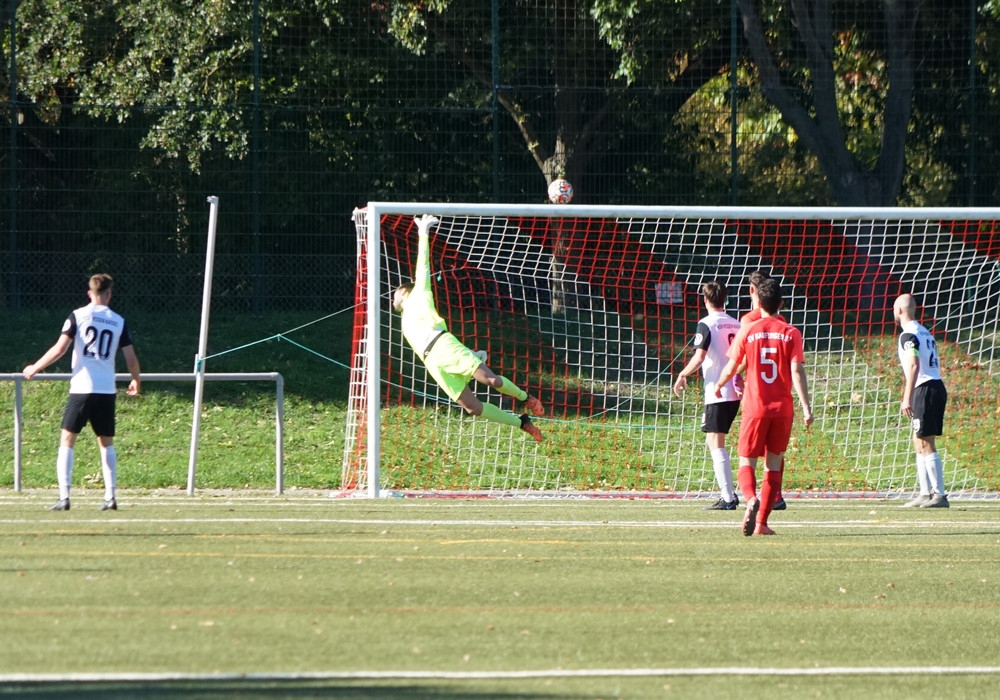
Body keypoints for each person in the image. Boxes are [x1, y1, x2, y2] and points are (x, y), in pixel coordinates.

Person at [392, 215, 545, 441]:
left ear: (405, 291)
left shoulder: (420, 294)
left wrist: (423, 233)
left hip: (443, 346)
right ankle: (522, 422)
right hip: (432, 362)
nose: (392, 297)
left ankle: (526, 398)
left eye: (395, 293)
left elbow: (422, 268)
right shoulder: (404, 320)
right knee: (472, 407)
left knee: (491, 380)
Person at [23, 273, 141, 511]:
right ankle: (110, 497)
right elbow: (130, 358)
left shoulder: (78, 316)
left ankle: (64, 497)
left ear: (89, 293)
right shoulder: (118, 321)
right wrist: (135, 379)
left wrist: (35, 367)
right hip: (106, 389)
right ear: (109, 294)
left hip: (82, 387)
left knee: (67, 440)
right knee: (106, 442)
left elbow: (60, 349)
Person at [715, 278, 813, 536]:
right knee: (774, 464)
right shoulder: (791, 332)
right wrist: (806, 407)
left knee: (746, 461)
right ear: (781, 303)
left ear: (758, 302)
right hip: (782, 410)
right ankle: (761, 524)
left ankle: (750, 499)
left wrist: (719, 384)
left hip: (754, 408)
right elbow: (797, 371)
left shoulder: (748, 330)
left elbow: (732, 366)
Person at [673, 280, 743, 510]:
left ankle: (728, 498)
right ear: (725, 299)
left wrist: (682, 373)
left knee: (715, 441)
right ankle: (729, 494)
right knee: (715, 439)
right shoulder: (736, 323)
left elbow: (700, 356)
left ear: (705, 300)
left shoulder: (706, 324)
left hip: (718, 390)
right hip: (734, 391)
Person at [893, 293, 949, 508]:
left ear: (899, 310)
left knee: (926, 442)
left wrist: (906, 397)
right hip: (931, 387)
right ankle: (924, 494)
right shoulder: (924, 331)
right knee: (918, 441)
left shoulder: (908, 334)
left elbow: (914, 364)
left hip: (925, 388)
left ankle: (940, 495)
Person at [739, 270, 787, 511]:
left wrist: (731, 378)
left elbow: (742, 358)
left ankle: (750, 497)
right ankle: (775, 496)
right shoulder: (784, 323)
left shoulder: (748, 321)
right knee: (774, 453)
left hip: (755, 396)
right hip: (780, 397)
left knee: (747, 456)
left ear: (752, 290)